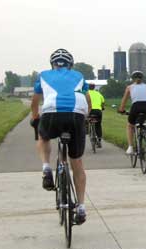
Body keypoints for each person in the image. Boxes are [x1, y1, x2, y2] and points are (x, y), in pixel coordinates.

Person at [30, 48, 91, 224]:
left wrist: (35, 118)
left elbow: (35, 101)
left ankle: (46, 168)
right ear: (70, 65)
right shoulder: (78, 75)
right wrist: (84, 118)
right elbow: (87, 99)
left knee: (43, 137)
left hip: (51, 114)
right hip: (75, 115)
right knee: (77, 162)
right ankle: (81, 208)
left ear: (53, 64)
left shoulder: (43, 75)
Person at [118, 70, 146, 155]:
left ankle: (130, 147)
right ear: (142, 78)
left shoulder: (130, 87)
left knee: (130, 125)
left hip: (136, 107)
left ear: (133, 79)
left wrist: (121, 110)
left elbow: (124, 100)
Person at [88, 83, 105, 148]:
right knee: (98, 125)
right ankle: (99, 140)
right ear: (94, 87)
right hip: (98, 111)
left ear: (88, 87)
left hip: (90, 111)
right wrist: (102, 107)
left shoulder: (87, 93)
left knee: (87, 120)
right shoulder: (98, 93)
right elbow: (103, 102)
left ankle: (88, 131)